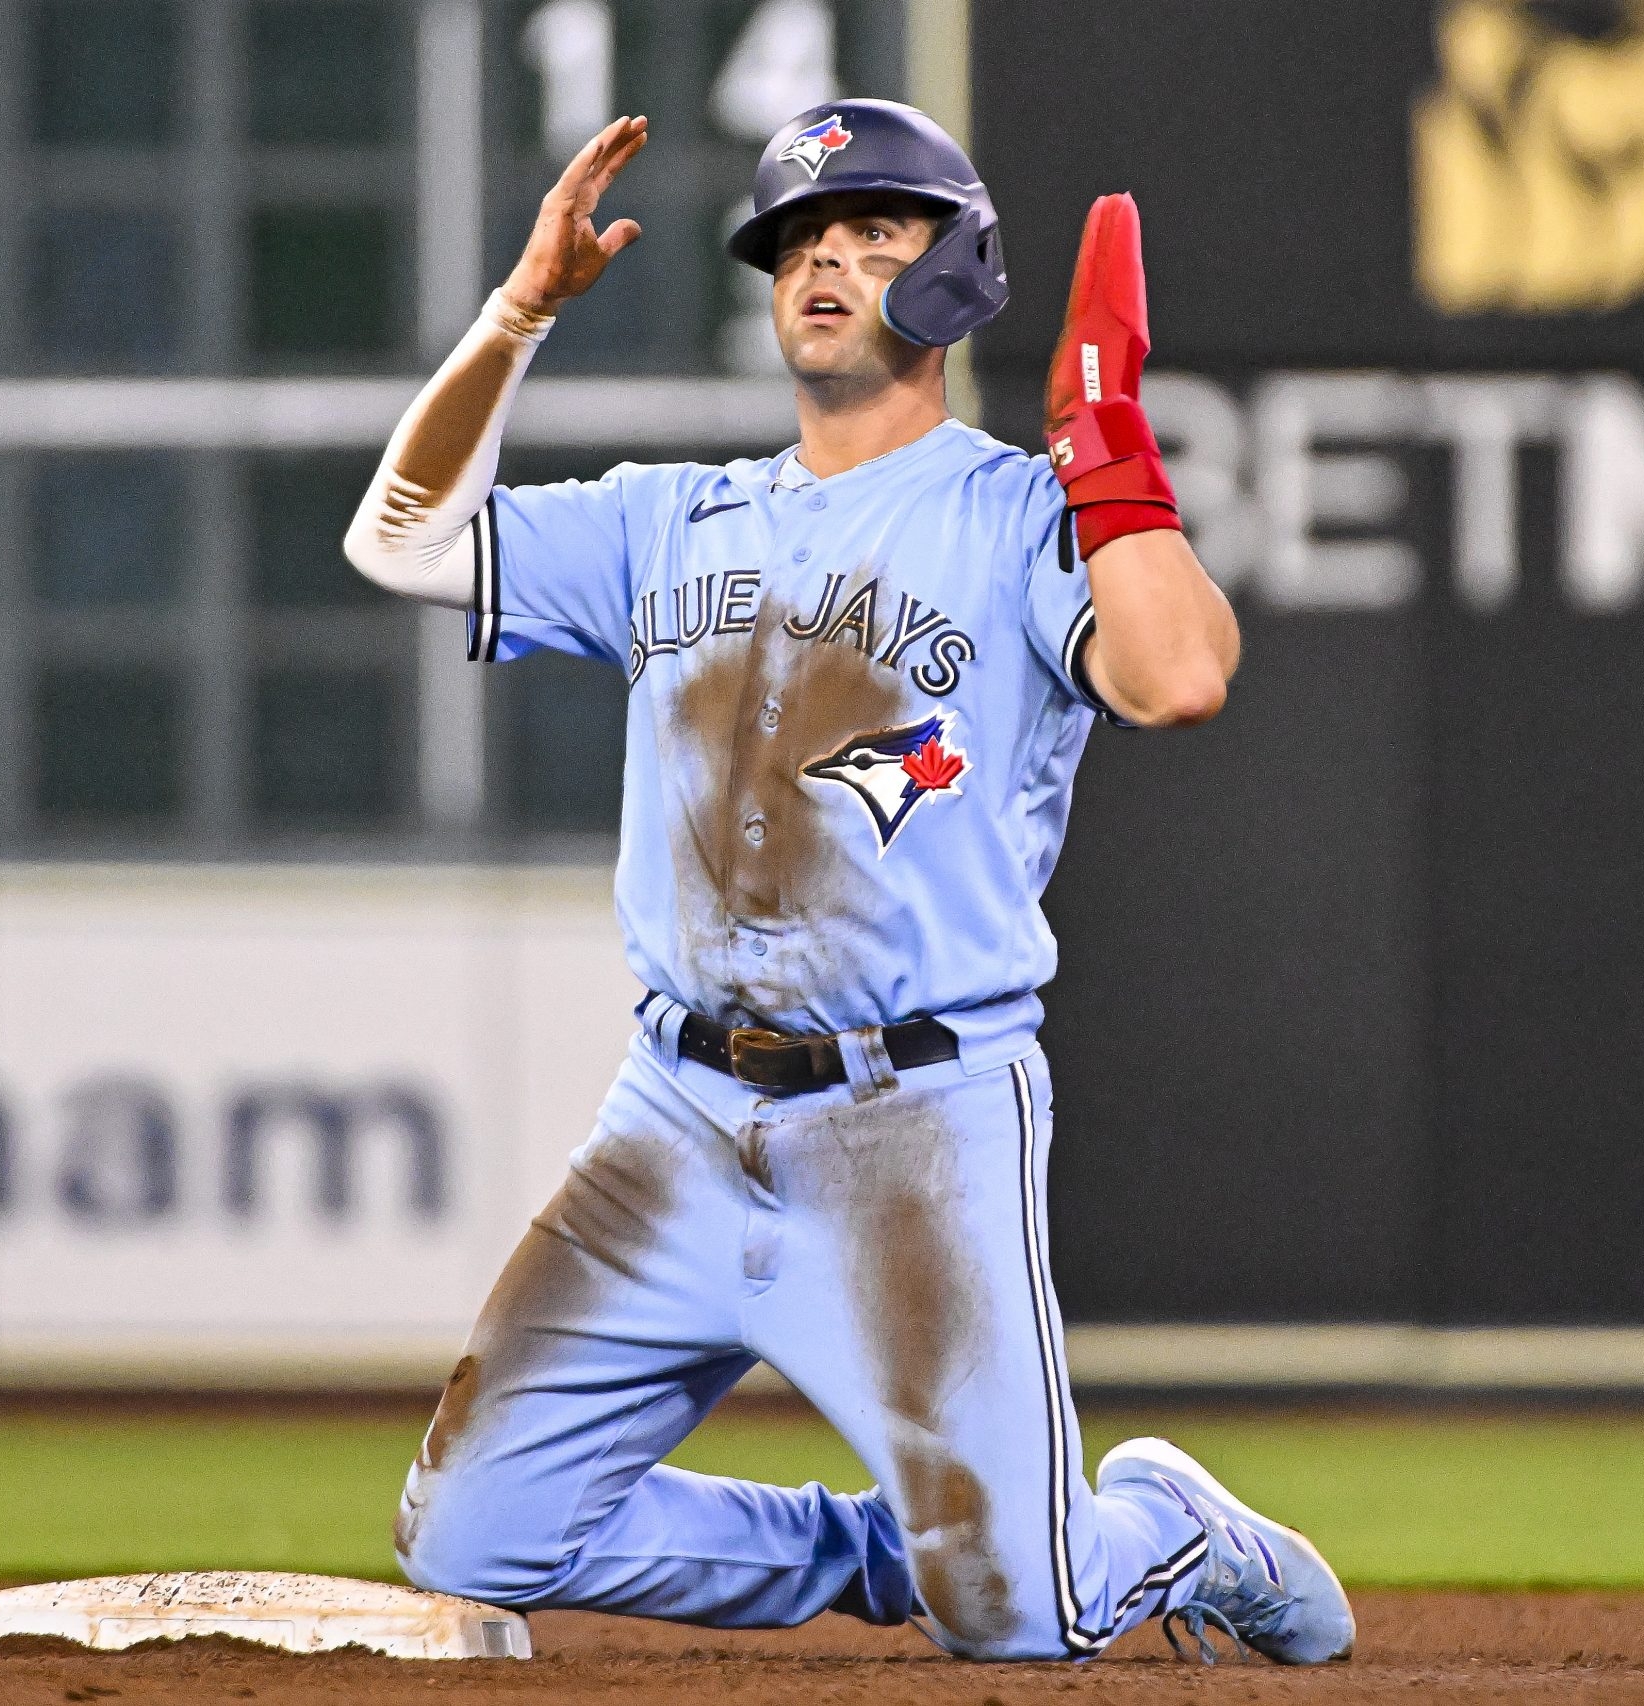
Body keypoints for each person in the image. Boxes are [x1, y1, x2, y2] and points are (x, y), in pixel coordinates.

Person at [343, 98, 1353, 1667]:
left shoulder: (1018, 511)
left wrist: (1104, 437)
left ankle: (1157, 1524)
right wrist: (517, 313)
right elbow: (401, 541)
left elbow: (1179, 675)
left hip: (915, 1126)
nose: (826, 258)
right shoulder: (671, 518)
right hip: (675, 1116)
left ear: (957, 279)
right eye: (800, 239)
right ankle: (900, 1551)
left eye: (878, 232)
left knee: (1027, 1620)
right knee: (472, 1537)